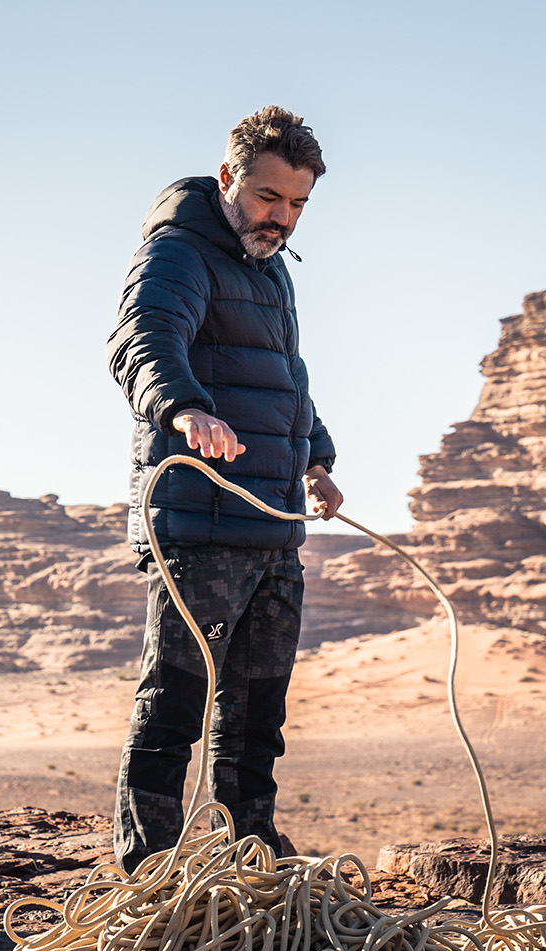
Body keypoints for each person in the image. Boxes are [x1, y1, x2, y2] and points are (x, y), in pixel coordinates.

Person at [106, 105, 343, 871]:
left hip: (272, 526)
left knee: (257, 716)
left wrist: (317, 458)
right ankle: (147, 871)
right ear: (227, 178)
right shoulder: (178, 252)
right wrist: (184, 409)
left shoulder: (272, 272)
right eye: (271, 198)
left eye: (298, 204)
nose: (283, 219)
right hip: (198, 522)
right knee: (173, 707)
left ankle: (252, 860)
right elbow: (141, 337)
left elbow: (285, 381)